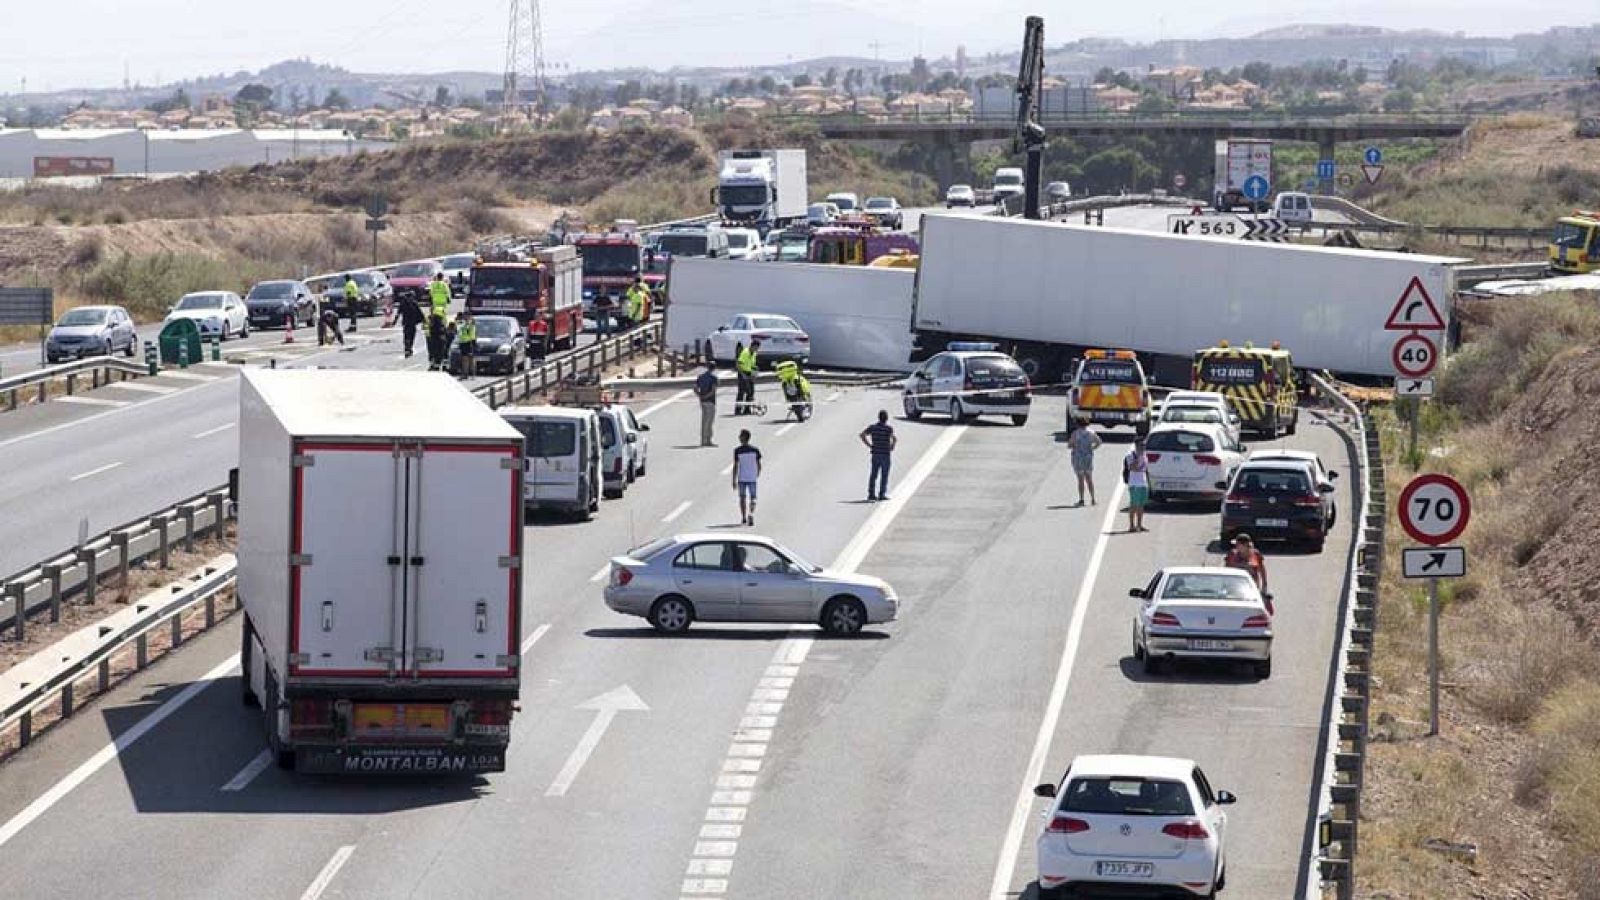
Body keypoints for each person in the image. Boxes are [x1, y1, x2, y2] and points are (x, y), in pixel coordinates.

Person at [859, 409, 897, 501]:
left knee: (873, 475)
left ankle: (871, 493)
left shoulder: (873, 427)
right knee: (884, 475)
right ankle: (882, 494)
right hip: (885, 454)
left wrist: (869, 445)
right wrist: (893, 444)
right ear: (886, 418)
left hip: (875, 453)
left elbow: (862, 435)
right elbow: (893, 439)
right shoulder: (888, 429)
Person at [1066, 415, 1103, 506]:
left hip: (1078, 457)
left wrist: (1074, 446)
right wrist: (1092, 448)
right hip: (1088, 457)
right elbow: (1099, 442)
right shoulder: (1091, 432)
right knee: (1089, 478)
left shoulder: (1075, 433)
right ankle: (1093, 499)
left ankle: (1082, 499)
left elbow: (1069, 445)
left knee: (1080, 479)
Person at [732, 429, 762, 526]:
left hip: (742, 478)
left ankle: (744, 517)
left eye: (740, 436)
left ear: (743, 438)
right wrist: (757, 473)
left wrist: (734, 479)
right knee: (753, 498)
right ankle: (751, 513)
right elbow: (759, 464)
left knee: (742, 498)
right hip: (752, 477)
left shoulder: (737, 451)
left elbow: (736, 466)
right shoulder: (755, 450)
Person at [1123, 436, 1150, 532]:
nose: (1143, 447)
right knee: (1134, 505)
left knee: (1141, 505)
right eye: (1141, 445)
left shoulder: (1145, 455)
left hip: (1143, 482)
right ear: (1136, 445)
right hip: (1134, 483)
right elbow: (1131, 468)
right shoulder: (1130, 455)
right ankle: (1131, 525)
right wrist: (1138, 457)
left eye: (1144, 445)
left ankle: (1139, 524)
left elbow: (1145, 469)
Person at [694, 362, 718, 447]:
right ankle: (708, 440)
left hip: (702, 401)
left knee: (704, 420)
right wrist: (706, 396)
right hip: (710, 401)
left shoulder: (701, 377)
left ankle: (703, 440)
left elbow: (695, 388)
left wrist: (700, 396)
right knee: (709, 421)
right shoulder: (714, 378)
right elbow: (713, 390)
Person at [735, 339, 760, 415]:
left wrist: (754, 375)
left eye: (757, 348)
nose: (756, 349)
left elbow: (753, 365)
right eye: (756, 348)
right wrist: (743, 375)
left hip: (749, 373)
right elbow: (738, 364)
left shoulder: (754, 353)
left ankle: (747, 409)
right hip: (742, 372)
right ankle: (738, 410)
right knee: (742, 392)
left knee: (751, 392)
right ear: (752, 346)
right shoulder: (745, 352)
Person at [397, 291, 424, 358]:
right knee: (410, 335)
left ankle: (407, 347)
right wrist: (423, 320)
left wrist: (394, 321)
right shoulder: (413, 303)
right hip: (411, 323)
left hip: (407, 323)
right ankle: (409, 347)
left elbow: (398, 313)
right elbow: (420, 313)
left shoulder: (403, 303)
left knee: (407, 335)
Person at [455, 309, 478, 378]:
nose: (465, 317)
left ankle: (472, 373)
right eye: (465, 315)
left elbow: (471, 331)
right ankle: (465, 373)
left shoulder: (471, 323)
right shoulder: (462, 322)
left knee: (470, 358)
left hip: (470, 341)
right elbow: (459, 330)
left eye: (467, 315)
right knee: (464, 358)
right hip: (463, 342)